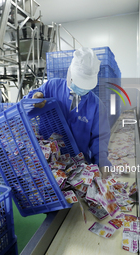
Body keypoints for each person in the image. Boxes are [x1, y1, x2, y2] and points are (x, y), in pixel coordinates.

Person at [24, 47, 112, 177]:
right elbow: (25, 107)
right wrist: (33, 99)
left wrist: (103, 163)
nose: (81, 89)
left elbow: (99, 139)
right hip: (46, 161)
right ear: (70, 73)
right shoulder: (51, 87)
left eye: (85, 86)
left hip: (76, 167)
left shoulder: (96, 106)